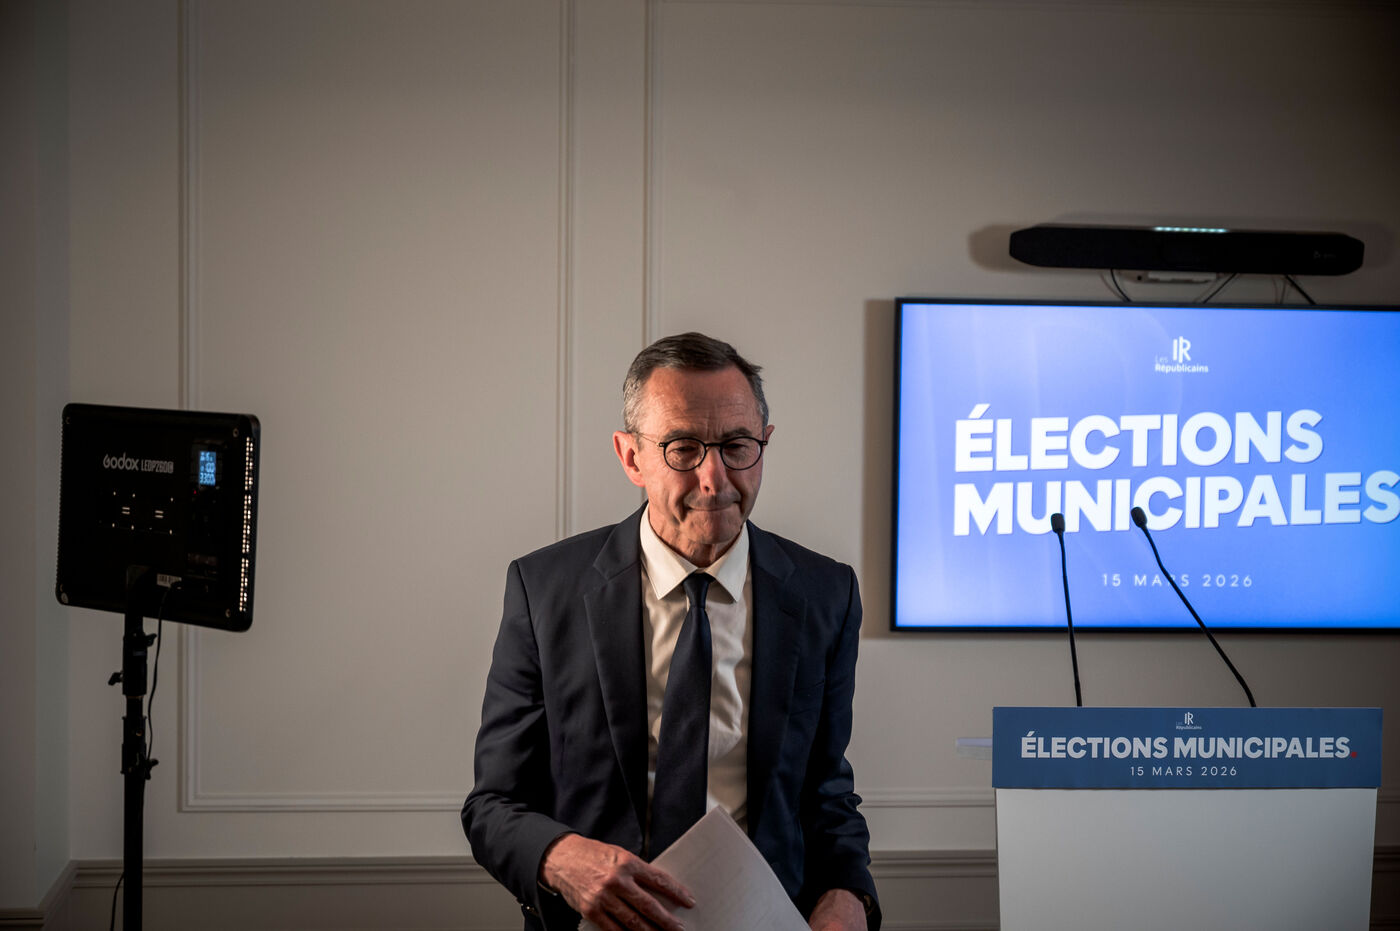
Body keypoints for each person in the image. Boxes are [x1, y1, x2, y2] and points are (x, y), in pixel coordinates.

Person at [462, 332, 879, 931]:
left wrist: (848, 893)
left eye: (737, 446)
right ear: (630, 456)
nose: (715, 478)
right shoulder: (543, 591)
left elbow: (826, 790)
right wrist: (561, 859)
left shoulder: (825, 595)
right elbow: (493, 805)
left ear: (764, 444)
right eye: (683, 448)